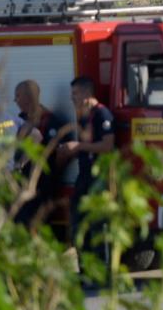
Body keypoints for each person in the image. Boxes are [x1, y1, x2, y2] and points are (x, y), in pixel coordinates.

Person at [60, 76, 115, 261]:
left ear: (86, 93)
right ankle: (84, 269)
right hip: (84, 176)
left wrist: (79, 146)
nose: (72, 98)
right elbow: (86, 146)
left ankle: (100, 271)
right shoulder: (84, 116)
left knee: (97, 226)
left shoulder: (102, 114)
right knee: (78, 224)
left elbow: (107, 145)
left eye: (75, 94)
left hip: (98, 178)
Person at [12, 79, 69, 227]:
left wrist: (50, 179)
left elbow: (60, 155)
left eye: (17, 96)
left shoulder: (51, 121)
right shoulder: (21, 120)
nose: (15, 100)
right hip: (21, 185)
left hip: (40, 187)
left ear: (28, 97)